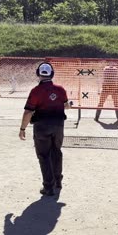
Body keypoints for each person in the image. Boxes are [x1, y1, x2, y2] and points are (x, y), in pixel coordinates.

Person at [19, 62, 71, 196]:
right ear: (52, 74)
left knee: (43, 156)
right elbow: (66, 105)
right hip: (59, 126)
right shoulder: (60, 90)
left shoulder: (35, 91)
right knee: (56, 152)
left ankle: (48, 186)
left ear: (38, 74)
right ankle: (58, 181)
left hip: (42, 127)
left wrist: (22, 128)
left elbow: (28, 112)